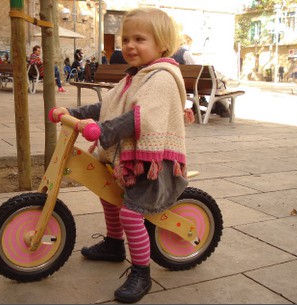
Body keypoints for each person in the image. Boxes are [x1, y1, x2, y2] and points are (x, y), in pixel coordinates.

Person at [50, 7, 188, 303]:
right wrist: (72, 113)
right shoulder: (135, 77)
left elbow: (141, 119)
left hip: (153, 162)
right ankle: (114, 244)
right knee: (106, 191)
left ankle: (141, 272)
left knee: (131, 212)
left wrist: (104, 131)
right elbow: (108, 107)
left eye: (139, 39)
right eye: (125, 39)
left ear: (162, 44)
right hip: (131, 157)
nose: (129, 45)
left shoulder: (162, 77)